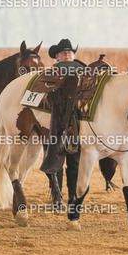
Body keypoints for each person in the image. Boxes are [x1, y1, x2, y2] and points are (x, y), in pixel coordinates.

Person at [40, 38, 84, 174]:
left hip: (76, 123)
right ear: (57, 56)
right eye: (64, 53)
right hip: (57, 121)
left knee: (75, 162)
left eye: (70, 52)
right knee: (56, 159)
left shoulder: (82, 71)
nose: (67, 55)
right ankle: (56, 187)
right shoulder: (51, 74)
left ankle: (72, 190)